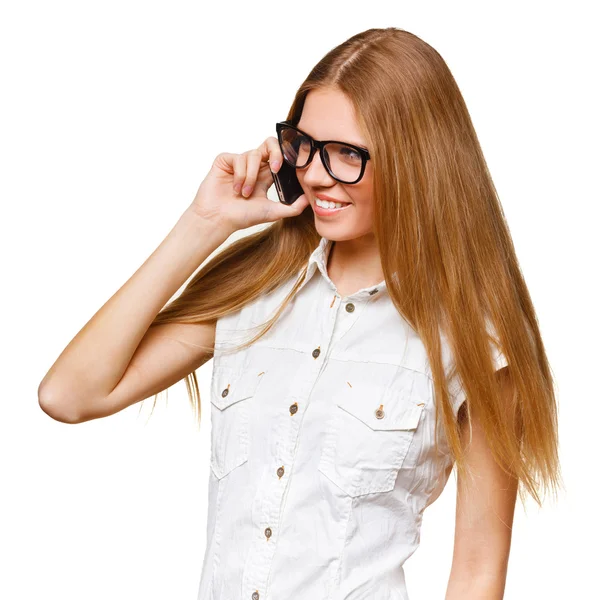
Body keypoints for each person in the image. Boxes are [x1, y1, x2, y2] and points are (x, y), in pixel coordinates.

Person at [38, 27, 562, 600]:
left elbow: (477, 575)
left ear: (418, 162)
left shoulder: (474, 343)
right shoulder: (255, 292)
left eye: (346, 154)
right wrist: (205, 223)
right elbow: (69, 395)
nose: (313, 174)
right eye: (304, 145)